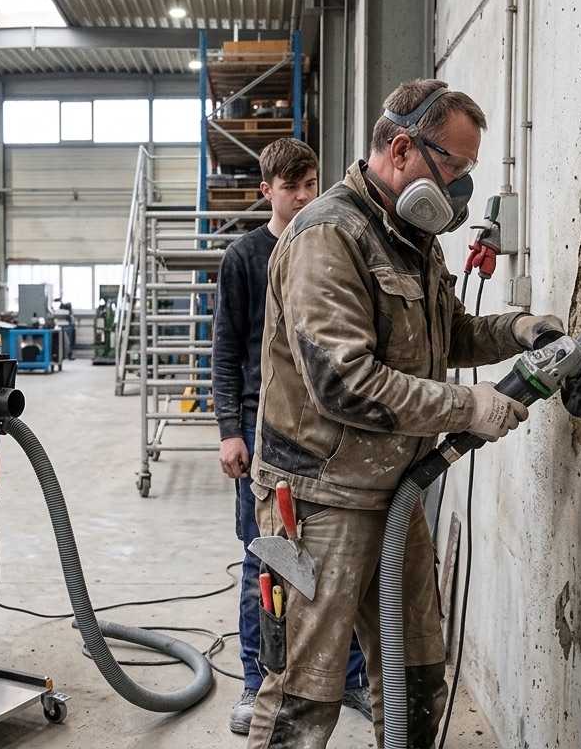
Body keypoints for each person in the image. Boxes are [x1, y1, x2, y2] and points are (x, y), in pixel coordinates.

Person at [246, 80, 563, 748]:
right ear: (400, 148)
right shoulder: (328, 235)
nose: (461, 188)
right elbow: (345, 383)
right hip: (319, 500)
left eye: (467, 171)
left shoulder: (414, 238)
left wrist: (520, 330)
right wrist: (468, 405)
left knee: (416, 676)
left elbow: (451, 333)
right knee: (303, 696)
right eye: (454, 166)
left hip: (393, 491)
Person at [212, 138, 373, 735]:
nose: (304, 197)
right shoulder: (246, 258)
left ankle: (349, 681)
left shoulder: (334, 249)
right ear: (267, 192)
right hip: (263, 435)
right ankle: (258, 685)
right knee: (269, 565)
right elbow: (226, 351)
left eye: (311, 185)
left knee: (339, 567)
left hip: (329, 437)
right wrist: (231, 431)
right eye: (291, 187)